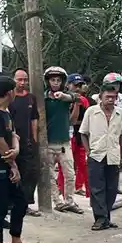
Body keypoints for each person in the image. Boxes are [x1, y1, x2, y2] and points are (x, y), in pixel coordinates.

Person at [0, 75, 40, 243]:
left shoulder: (5, 113)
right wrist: (13, 165)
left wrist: (15, 151)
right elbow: (0, 144)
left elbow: (13, 137)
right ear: (9, 92)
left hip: (8, 165)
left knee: (20, 202)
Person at [79, 81, 122, 231]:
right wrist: (88, 152)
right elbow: (83, 133)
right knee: (97, 188)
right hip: (96, 154)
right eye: (108, 96)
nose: (111, 99)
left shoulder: (120, 114)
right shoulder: (91, 112)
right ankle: (99, 218)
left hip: (113, 155)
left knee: (111, 188)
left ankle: (106, 217)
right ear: (100, 97)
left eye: (114, 97)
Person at [43, 66, 83, 214]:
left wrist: (76, 104)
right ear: (48, 81)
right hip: (48, 142)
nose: (55, 83)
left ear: (62, 82)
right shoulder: (43, 98)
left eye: (58, 80)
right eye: (52, 80)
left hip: (64, 142)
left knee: (70, 174)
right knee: (50, 176)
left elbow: (72, 120)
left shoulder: (66, 98)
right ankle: (57, 202)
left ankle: (70, 201)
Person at [9, 69, 41, 217]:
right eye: (19, 80)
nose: (22, 83)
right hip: (12, 142)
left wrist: (34, 139)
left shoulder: (31, 98)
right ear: (14, 80)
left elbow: (34, 119)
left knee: (29, 173)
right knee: (13, 173)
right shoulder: (9, 98)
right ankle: (11, 204)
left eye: (25, 80)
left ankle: (26, 204)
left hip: (27, 143)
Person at [67, 74, 90, 196]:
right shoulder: (62, 99)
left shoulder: (84, 100)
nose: (77, 88)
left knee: (82, 164)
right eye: (75, 85)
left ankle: (85, 189)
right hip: (67, 135)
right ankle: (64, 192)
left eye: (80, 85)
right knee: (65, 166)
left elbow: (86, 120)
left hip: (79, 135)